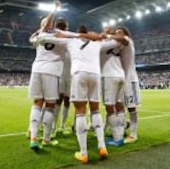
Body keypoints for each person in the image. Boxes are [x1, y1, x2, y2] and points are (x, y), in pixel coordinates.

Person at [38, 25, 121, 163]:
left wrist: (62, 34)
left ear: (78, 32)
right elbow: (119, 41)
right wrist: (103, 35)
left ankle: (83, 153)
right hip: (95, 75)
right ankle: (102, 147)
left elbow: (42, 39)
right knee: (95, 111)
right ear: (88, 33)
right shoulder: (97, 43)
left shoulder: (71, 40)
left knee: (80, 112)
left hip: (79, 74)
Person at [27, 0, 64, 150]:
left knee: (37, 104)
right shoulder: (58, 36)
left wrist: (40, 28)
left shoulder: (38, 37)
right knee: (50, 106)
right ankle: (46, 139)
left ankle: (34, 137)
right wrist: (54, 10)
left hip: (37, 70)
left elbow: (31, 38)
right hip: (51, 71)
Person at [100, 26, 126, 146]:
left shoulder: (101, 44)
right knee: (119, 105)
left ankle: (117, 138)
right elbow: (122, 38)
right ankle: (121, 134)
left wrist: (104, 34)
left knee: (110, 107)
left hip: (109, 76)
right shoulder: (116, 42)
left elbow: (97, 40)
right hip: (121, 75)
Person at [115, 26, 141, 143]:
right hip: (122, 78)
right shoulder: (119, 45)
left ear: (125, 33)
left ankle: (134, 134)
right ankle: (124, 125)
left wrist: (108, 35)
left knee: (131, 107)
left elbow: (122, 39)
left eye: (120, 32)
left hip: (131, 79)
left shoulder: (128, 41)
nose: (118, 35)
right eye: (116, 33)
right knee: (120, 106)